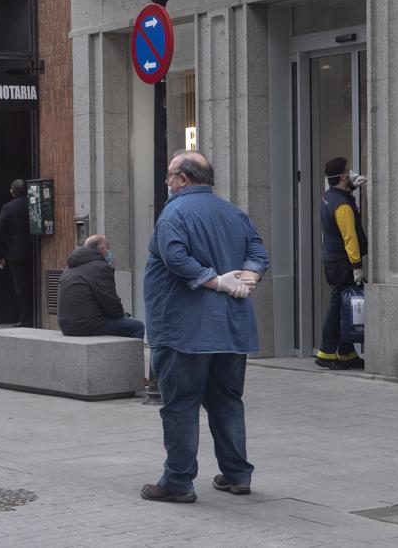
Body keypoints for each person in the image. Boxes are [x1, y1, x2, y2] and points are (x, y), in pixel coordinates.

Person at [141, 151, 269, 503]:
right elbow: (258, 251)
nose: (166, 182)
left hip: (184, 329)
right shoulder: (234, 212)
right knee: (227, 400)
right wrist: (248, 275)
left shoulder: (173, 213)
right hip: (231, 328)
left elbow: (175, 257)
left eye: (169, 175)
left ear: (183, 179)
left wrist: (213, 280)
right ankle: (236, 474)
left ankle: (178, 481)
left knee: (180, 405)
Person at [316, 157, 368, 370]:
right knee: (338, 306)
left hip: (332, 259)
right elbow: (350, 237)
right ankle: (327, 353)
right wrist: (357, 266)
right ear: (344, 176)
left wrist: (351, 189)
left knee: (345, 306)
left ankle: (346, 353)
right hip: (343, 263)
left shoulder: (329, 197)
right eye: (348, 172)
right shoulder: (343, 206)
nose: (351, 173)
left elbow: (341, 197)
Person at [58, 234, 144, 339]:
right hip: (85, 325)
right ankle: (128, 356)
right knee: (137, 327)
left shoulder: (70, 267)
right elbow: (110, 302)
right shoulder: (100, 267)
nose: (110, 254)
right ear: (103, 250)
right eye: (109, 250)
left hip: (65, 325)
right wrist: (121, 316)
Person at [0, 179, 35, 327]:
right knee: (33, 283)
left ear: (13, 191)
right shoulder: (33, 204)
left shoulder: (8, 207)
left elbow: (0, 232)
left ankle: (26, 318)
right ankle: (37, 315)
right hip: (35, 251)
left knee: (21, 286)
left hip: (16, 253)